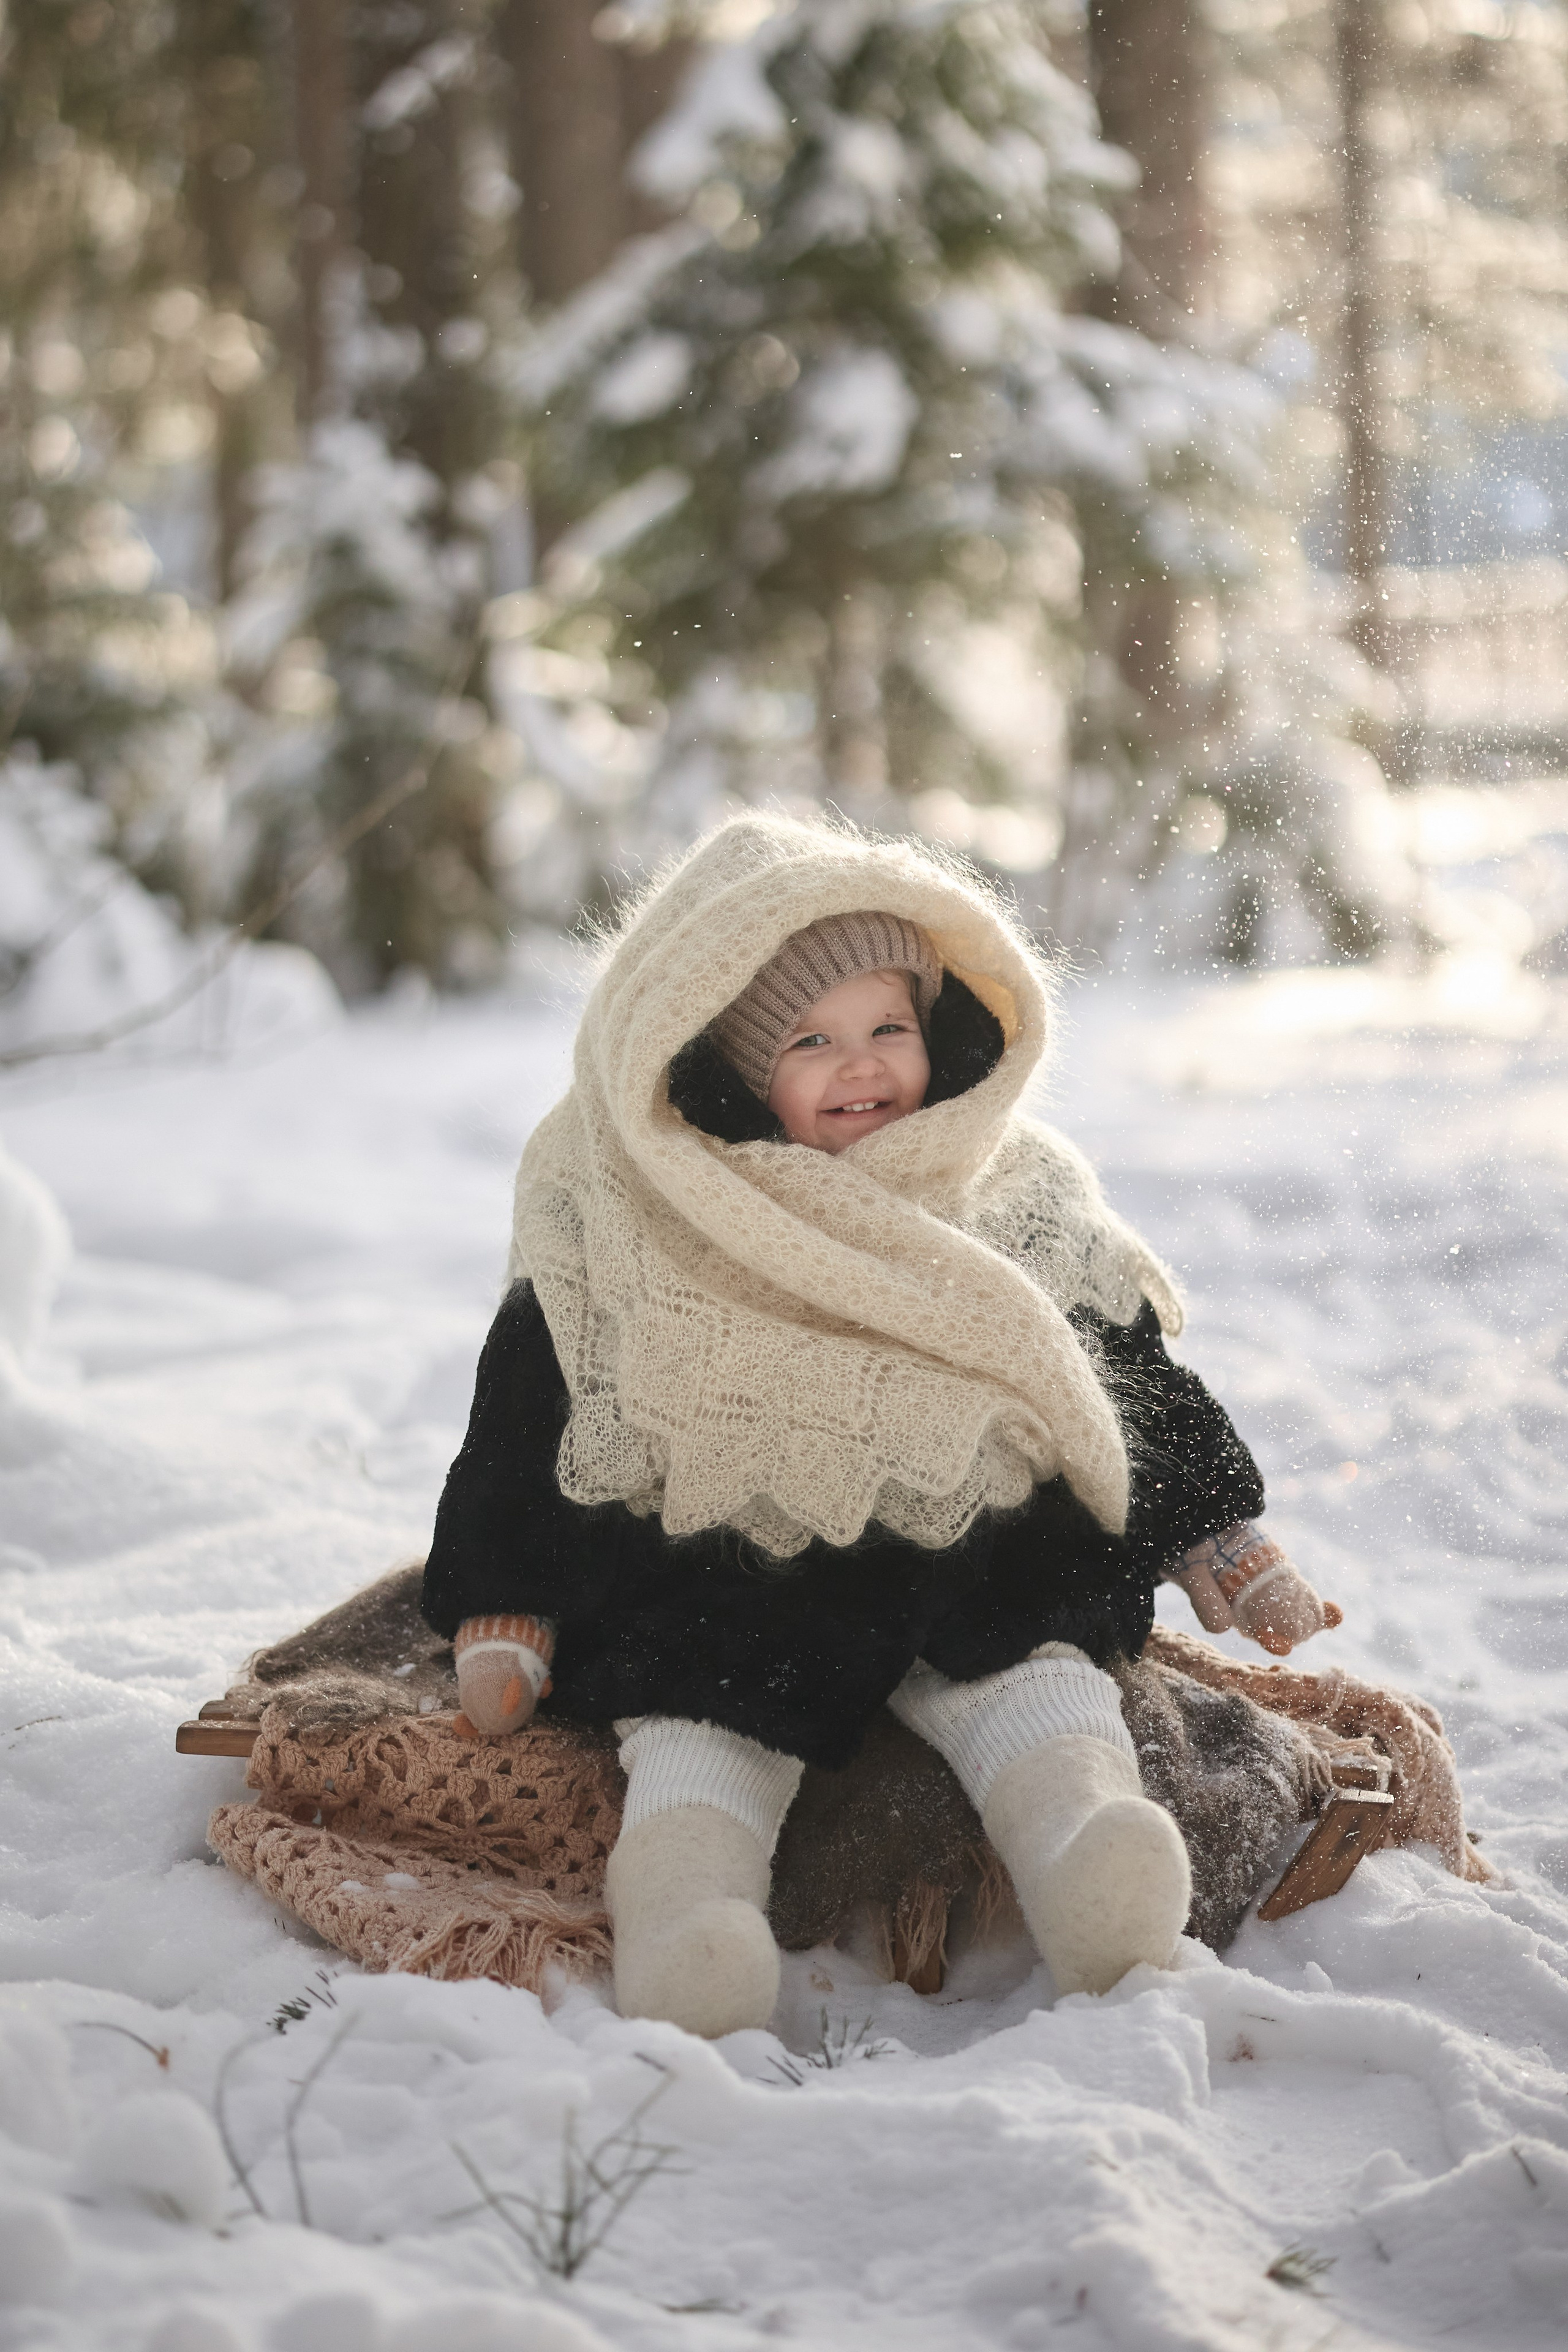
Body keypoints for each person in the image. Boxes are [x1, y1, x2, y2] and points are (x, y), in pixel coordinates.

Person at [421, 815, 1341, 2034]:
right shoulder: (642, 1216)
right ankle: (688, 1917)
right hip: (730, 1558)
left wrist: (1215, 1534)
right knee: (700, 1715)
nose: (861, 1066)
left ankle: (1086, 1852)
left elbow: (1116, 1364)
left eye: (886, 1029)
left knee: (1034, 1671)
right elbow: (540, 1400)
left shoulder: (1008, 1180)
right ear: (734, 1065)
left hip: (977, 1540)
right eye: (808, 1040)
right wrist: (507, 1598)